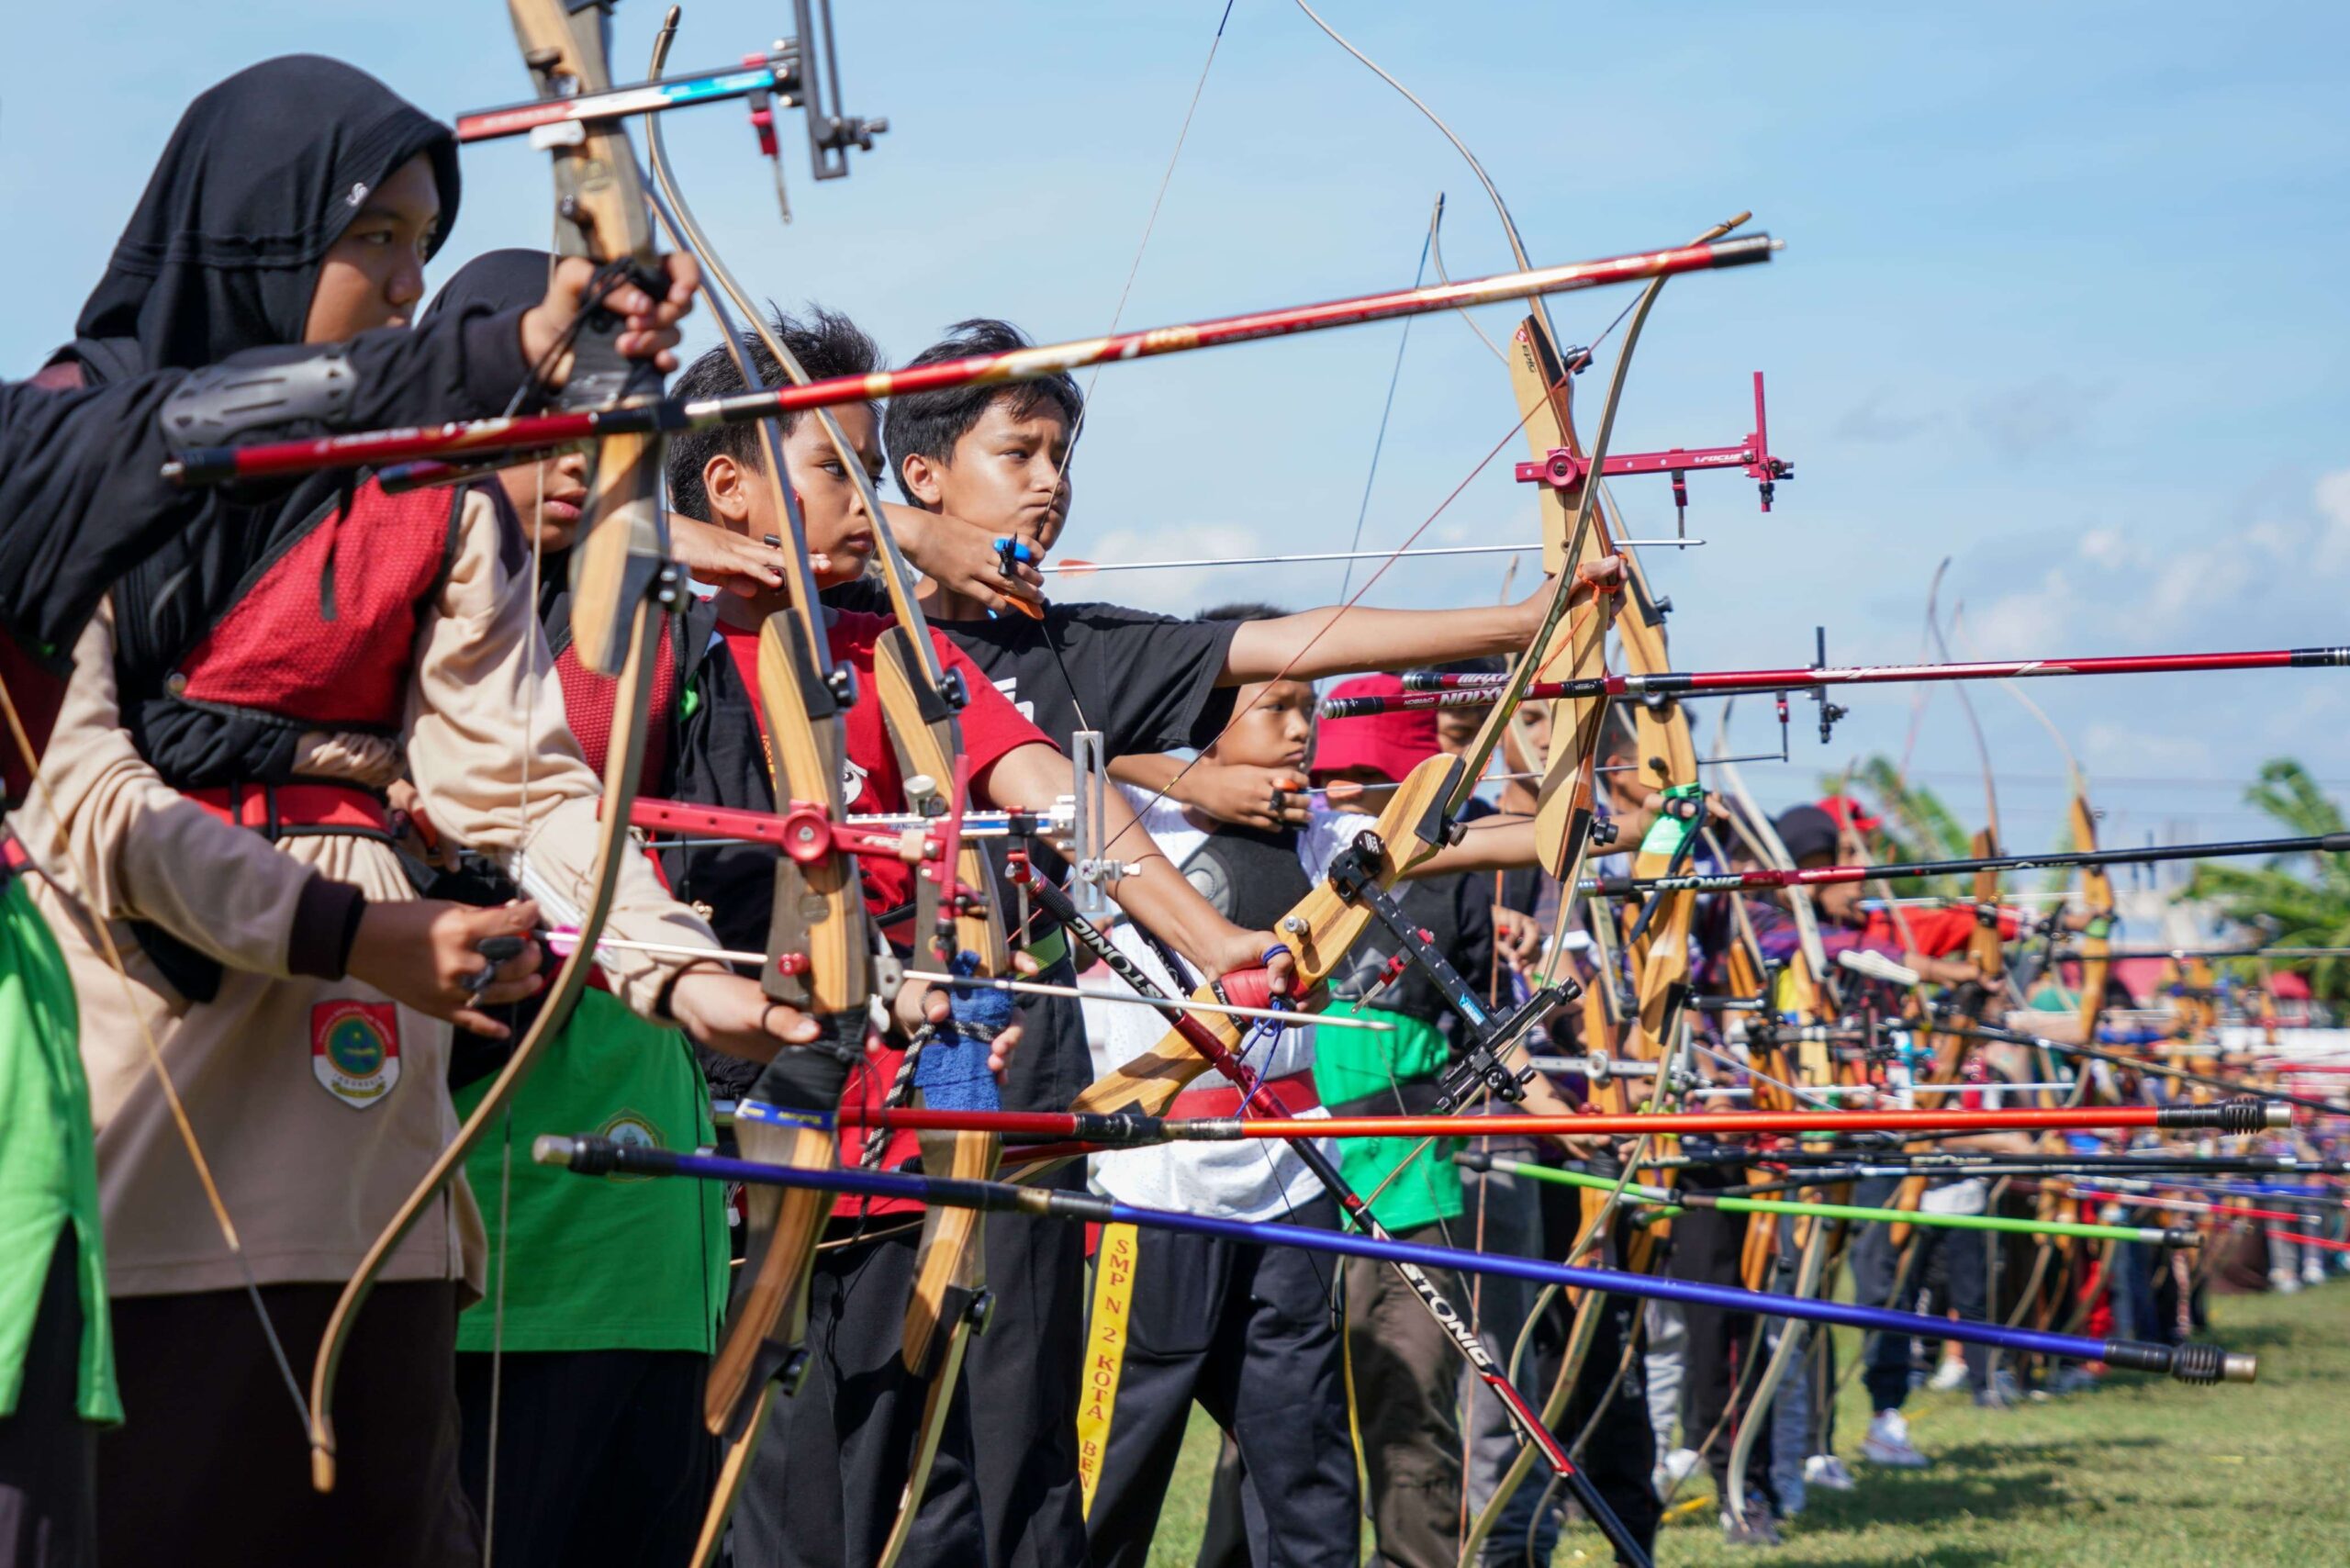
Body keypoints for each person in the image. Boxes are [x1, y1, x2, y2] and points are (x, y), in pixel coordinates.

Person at [10, 58, 808, 1568]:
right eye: (369, 236)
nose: (403, 282)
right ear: (254, 228)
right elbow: (84, 791)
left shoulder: (429, 490)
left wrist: (685, 972)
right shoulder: (76, 444)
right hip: (140, 1026)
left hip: (369, 1093)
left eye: (422, 245)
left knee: (375, 1497)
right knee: (144, 1496)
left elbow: (518, 779)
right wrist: (346, 928)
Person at [649, 316, 1301, 1568]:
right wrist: (903, 533)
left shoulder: (893, 650)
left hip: (890, 1136)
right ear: (729, 485)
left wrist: (1214, 936)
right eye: (837, 468)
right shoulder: (647, 628)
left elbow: (1053, 791)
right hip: (708, 1126)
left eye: (867, 471)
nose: (866, 500)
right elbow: (552, 518)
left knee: (886, 1488)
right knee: (748, 1500)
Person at [1072, 608, 1357, 1568]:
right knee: (1115, 1453)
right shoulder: (1117, 814)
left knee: (1303, 1444)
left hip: (1292, 1175)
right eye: (1275, 705)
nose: (1300, 728)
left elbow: (1455, 837)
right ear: (1202, 713)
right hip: (1154, 1187)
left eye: (1310, 705)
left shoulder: (1318, 825)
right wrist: (1194, 782)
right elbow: (1049, 734)